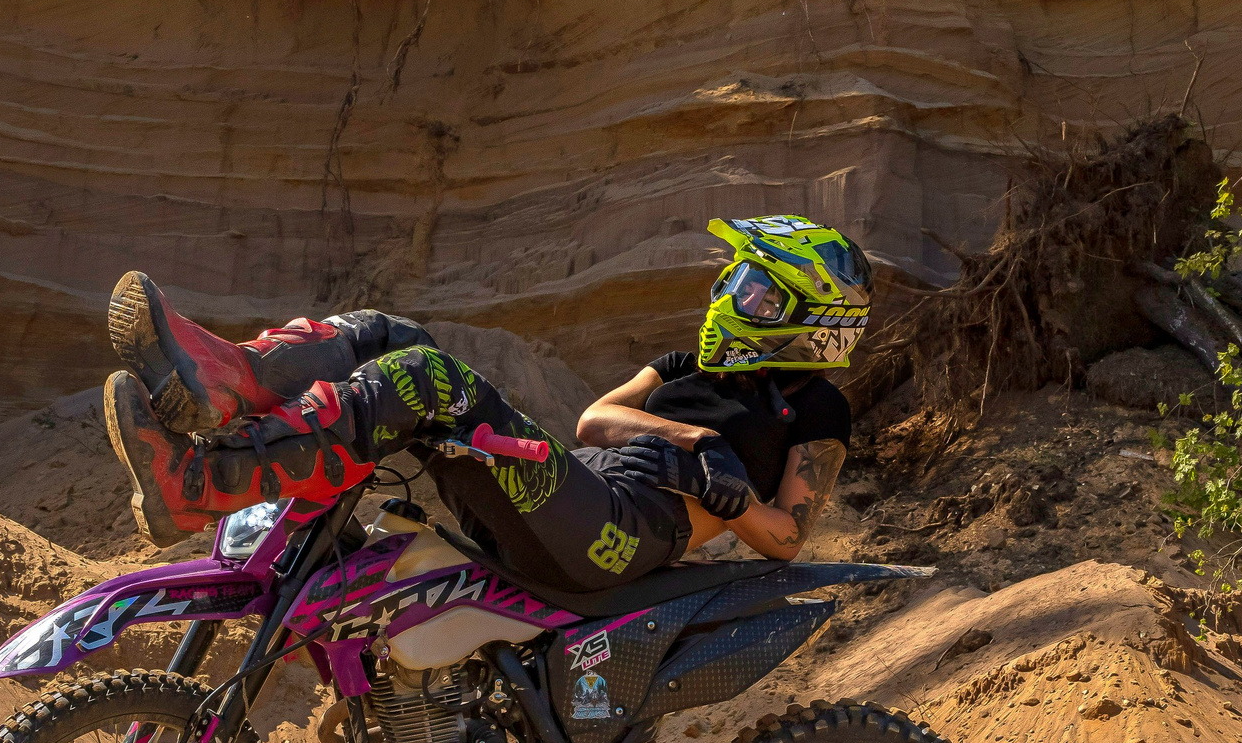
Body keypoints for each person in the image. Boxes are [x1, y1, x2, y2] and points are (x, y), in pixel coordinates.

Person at [100, 215, 871, 597]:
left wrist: (730, 496)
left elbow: (787, 536)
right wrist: (689, 438)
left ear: (814, 319)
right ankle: (224, 384)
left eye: (757, 291)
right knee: (386, 334)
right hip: (574, 487)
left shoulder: (818, 409)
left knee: (431, 379)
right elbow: (595, 421)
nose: (732, 298)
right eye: (736, 281)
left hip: (622, 534)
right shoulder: (686, 367)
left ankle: (205, 483)